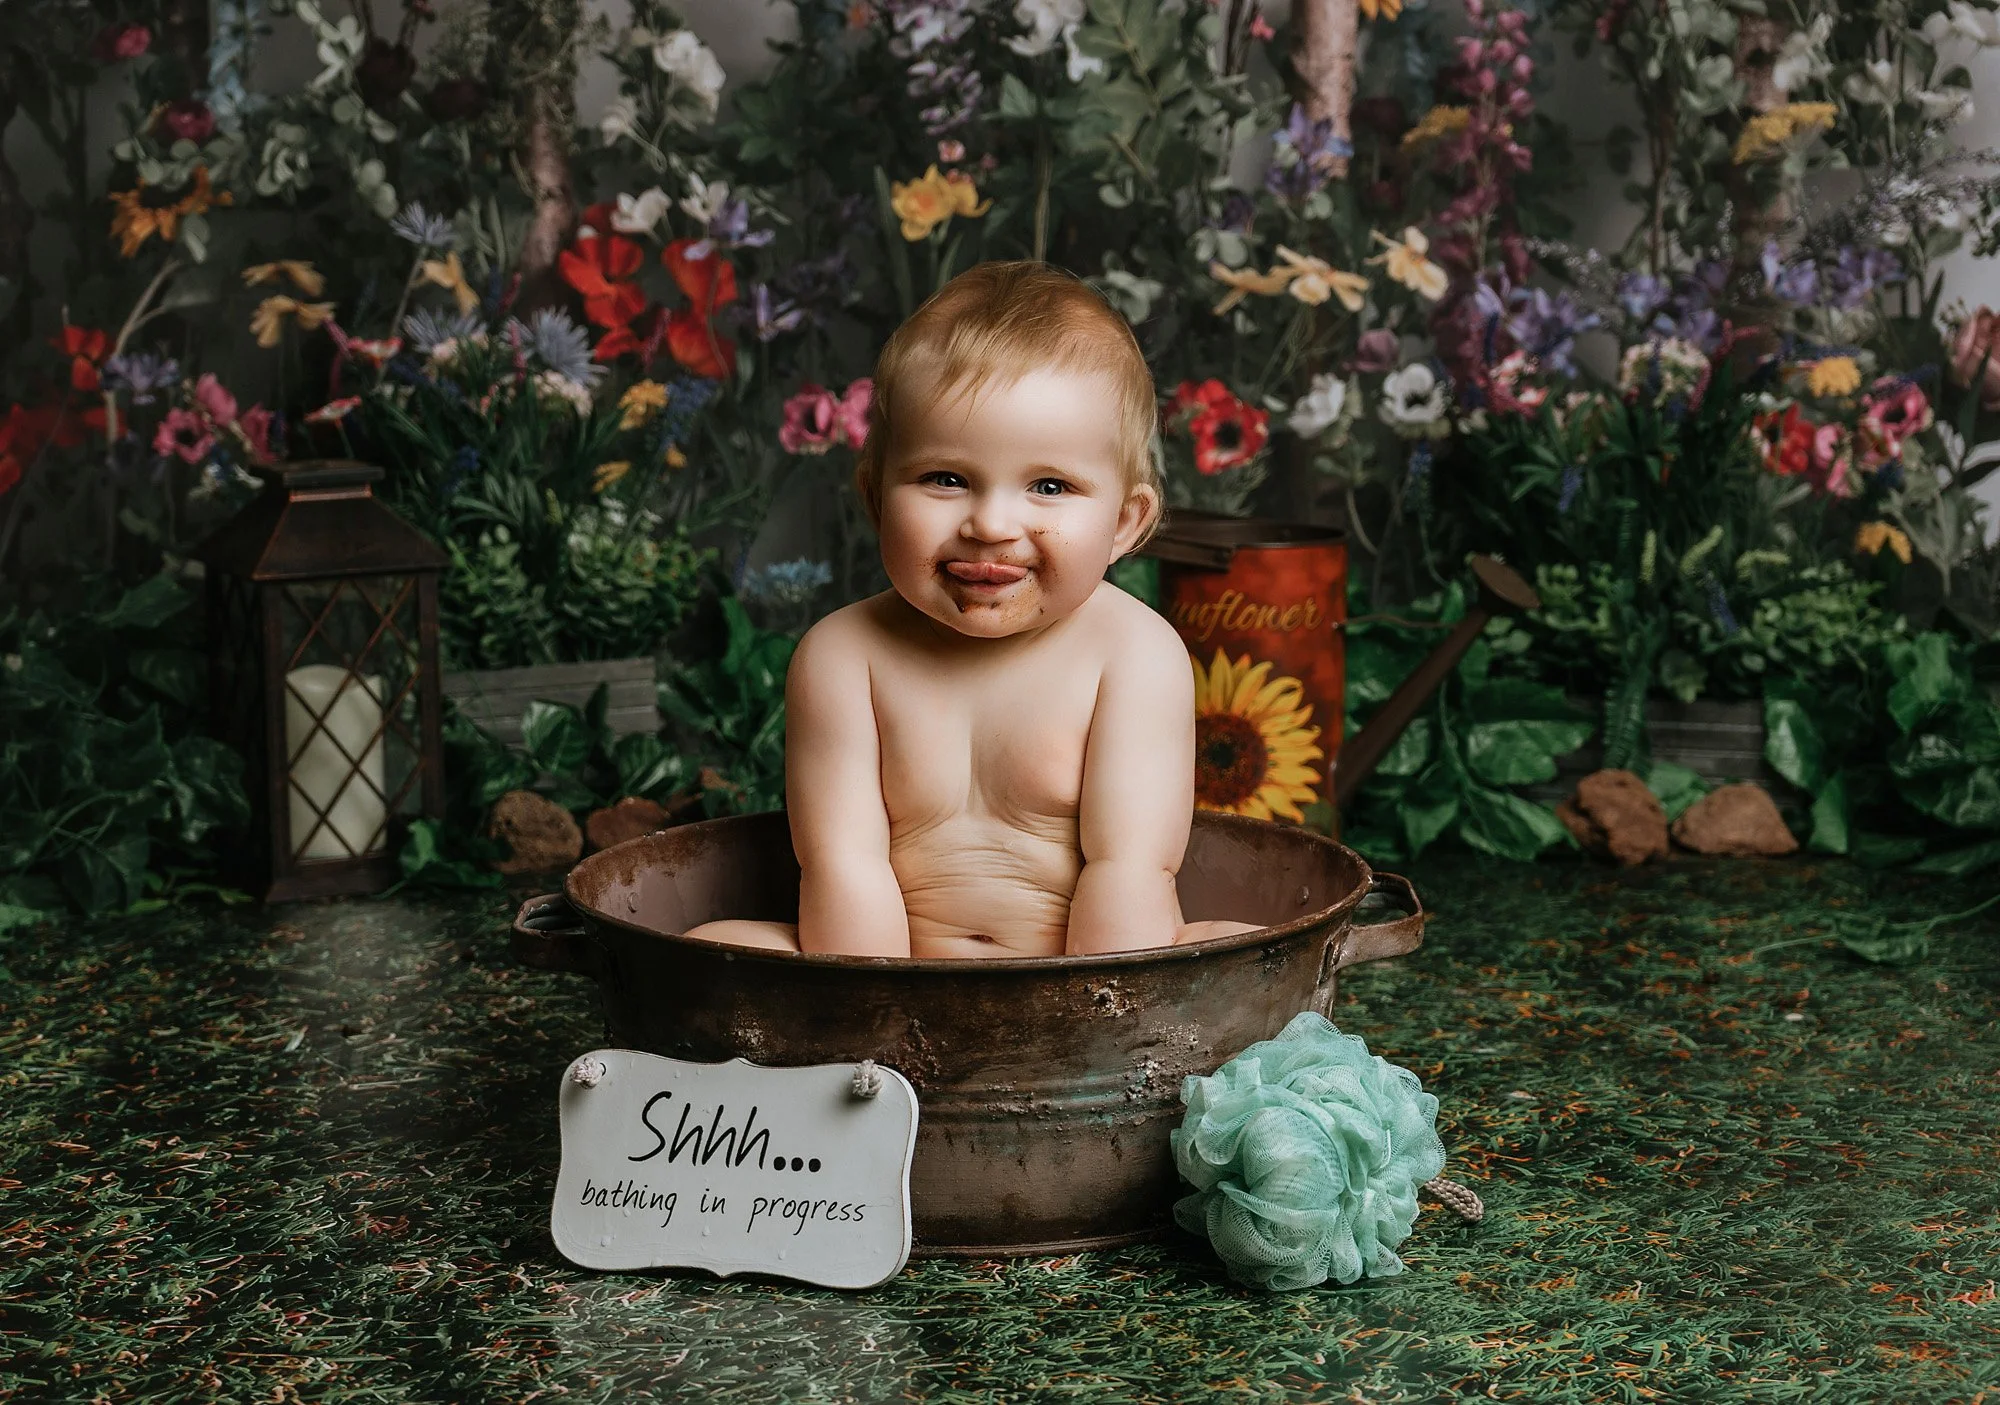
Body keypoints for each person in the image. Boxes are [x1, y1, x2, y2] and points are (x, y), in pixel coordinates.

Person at [684, 261, 1264, 957]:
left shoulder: (1133, 653)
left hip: (1088, 970)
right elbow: (842, 862)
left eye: (1049, 485)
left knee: (1246, 948)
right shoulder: (844, 655)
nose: (991, 523)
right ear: (875, 496)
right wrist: (875, 1020)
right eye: (947, 478)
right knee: (710, 947)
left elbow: (1131, 868)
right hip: (889, 967)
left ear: (1123, 523)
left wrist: (1097, 1022)